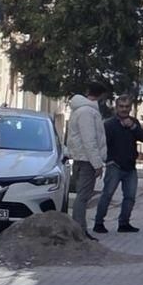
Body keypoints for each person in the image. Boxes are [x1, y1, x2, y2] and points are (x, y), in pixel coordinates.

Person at [94, 95, 143, 234]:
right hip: (114, 166)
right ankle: (98, 223)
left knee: (130, 197)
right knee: (107, 195)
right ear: (116, 107)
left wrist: (133, 127)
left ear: (130, 108)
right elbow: (102, 145)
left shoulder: (133, 122)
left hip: (130, 167)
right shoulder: (109, 124)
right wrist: (108, 160)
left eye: (127, 107)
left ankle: (124, 223)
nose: (124, 109)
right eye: (121, 106)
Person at [64, 83, 109, 233]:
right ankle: (80, 230)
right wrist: (97, 163)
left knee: (82, 196)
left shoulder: (81, 110)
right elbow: (89, 140)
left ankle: (79, 228)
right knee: (83, 197)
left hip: (82, 158)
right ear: (102, 96)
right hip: (86, 160)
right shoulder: (87, 113)